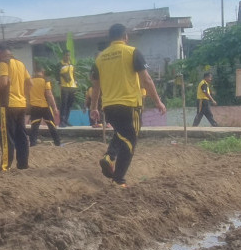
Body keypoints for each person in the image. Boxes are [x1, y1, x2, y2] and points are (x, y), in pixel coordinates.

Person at [90, 23, 166, 187]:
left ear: (110, 39)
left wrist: (94, 107)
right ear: (125, 37)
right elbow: (146, 79)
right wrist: (158, 101)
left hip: (109, 106)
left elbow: (96, 86)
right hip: (130, 105)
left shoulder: (100, 58)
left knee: (121, 133)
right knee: (130, 140)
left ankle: (110, 157)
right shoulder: (132, 52)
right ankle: (119, 180)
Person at [0, 47, 32, 171]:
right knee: (21, 135)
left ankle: (5, 165)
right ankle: (23, 164)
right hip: (21, 104)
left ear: (1, 53)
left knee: (7, 135)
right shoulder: (21, 64)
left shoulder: (4, 63)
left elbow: (3, 83)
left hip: (7, 104)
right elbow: (30, 83)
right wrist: (23, 96)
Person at [28, 68, 61, 147]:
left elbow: (27, 94)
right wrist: (55, 108)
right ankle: (57, 143)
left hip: (34, 106)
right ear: (42, 72)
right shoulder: (45, 81)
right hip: (44, 106)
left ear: (34, 72)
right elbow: (49, 95)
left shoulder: (30, 81)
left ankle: (33, 144)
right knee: (51, 126)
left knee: (34, 127)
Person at [59, 52, 77, 127]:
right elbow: (57, 75)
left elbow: (74, 75)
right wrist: (59, 83)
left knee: (69, 104)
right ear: (63, 56)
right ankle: (62, 121)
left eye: (69, 55)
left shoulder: (71, 65)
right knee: (64, 104)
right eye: (66, 55)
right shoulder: (60, 65)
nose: (68, 57)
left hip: (72, 86)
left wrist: (76, 83)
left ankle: (66, 120)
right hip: (64, 86)